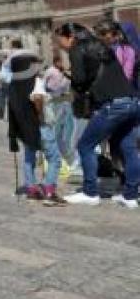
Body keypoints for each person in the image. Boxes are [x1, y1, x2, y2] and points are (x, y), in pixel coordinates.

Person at [55, 22, 140, 208]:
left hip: (112, 105)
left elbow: (79, 80)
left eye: (59, 40)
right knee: (128, 147)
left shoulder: (77, 49)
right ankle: (131, 195)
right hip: (132, 102)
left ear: (70, 37)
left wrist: (70, 79)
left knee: (85, 145)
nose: (59, 44)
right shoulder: (101, 45)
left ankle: (90, 192)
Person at [8, 53, 63, 203]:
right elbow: (38, 98)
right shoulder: (35, 82)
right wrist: (38, 116)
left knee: (29, 158)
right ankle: (48, 188)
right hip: (40, 126)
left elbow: (11, 111)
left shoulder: (13, 85)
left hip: (24, 128)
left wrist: (13, 134)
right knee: (54, 158)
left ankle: (31, 188)